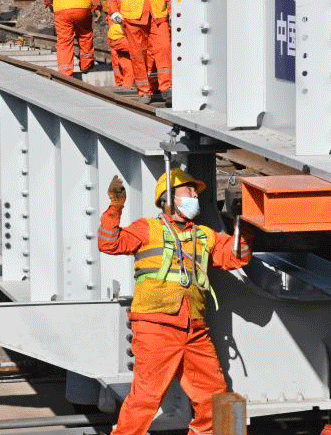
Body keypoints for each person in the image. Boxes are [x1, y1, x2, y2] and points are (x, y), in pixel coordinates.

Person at [98, 169, 252, 435]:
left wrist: (243, 221)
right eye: (189, 191)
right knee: (146, 397)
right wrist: (115, 206)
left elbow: (237, 257)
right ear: (168, 198)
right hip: (155, 326)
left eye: (195, 192)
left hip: (195, 330)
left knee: (216, 397)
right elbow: (109, 243)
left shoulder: (205, 235)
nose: (195, 196)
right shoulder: (148, 228)